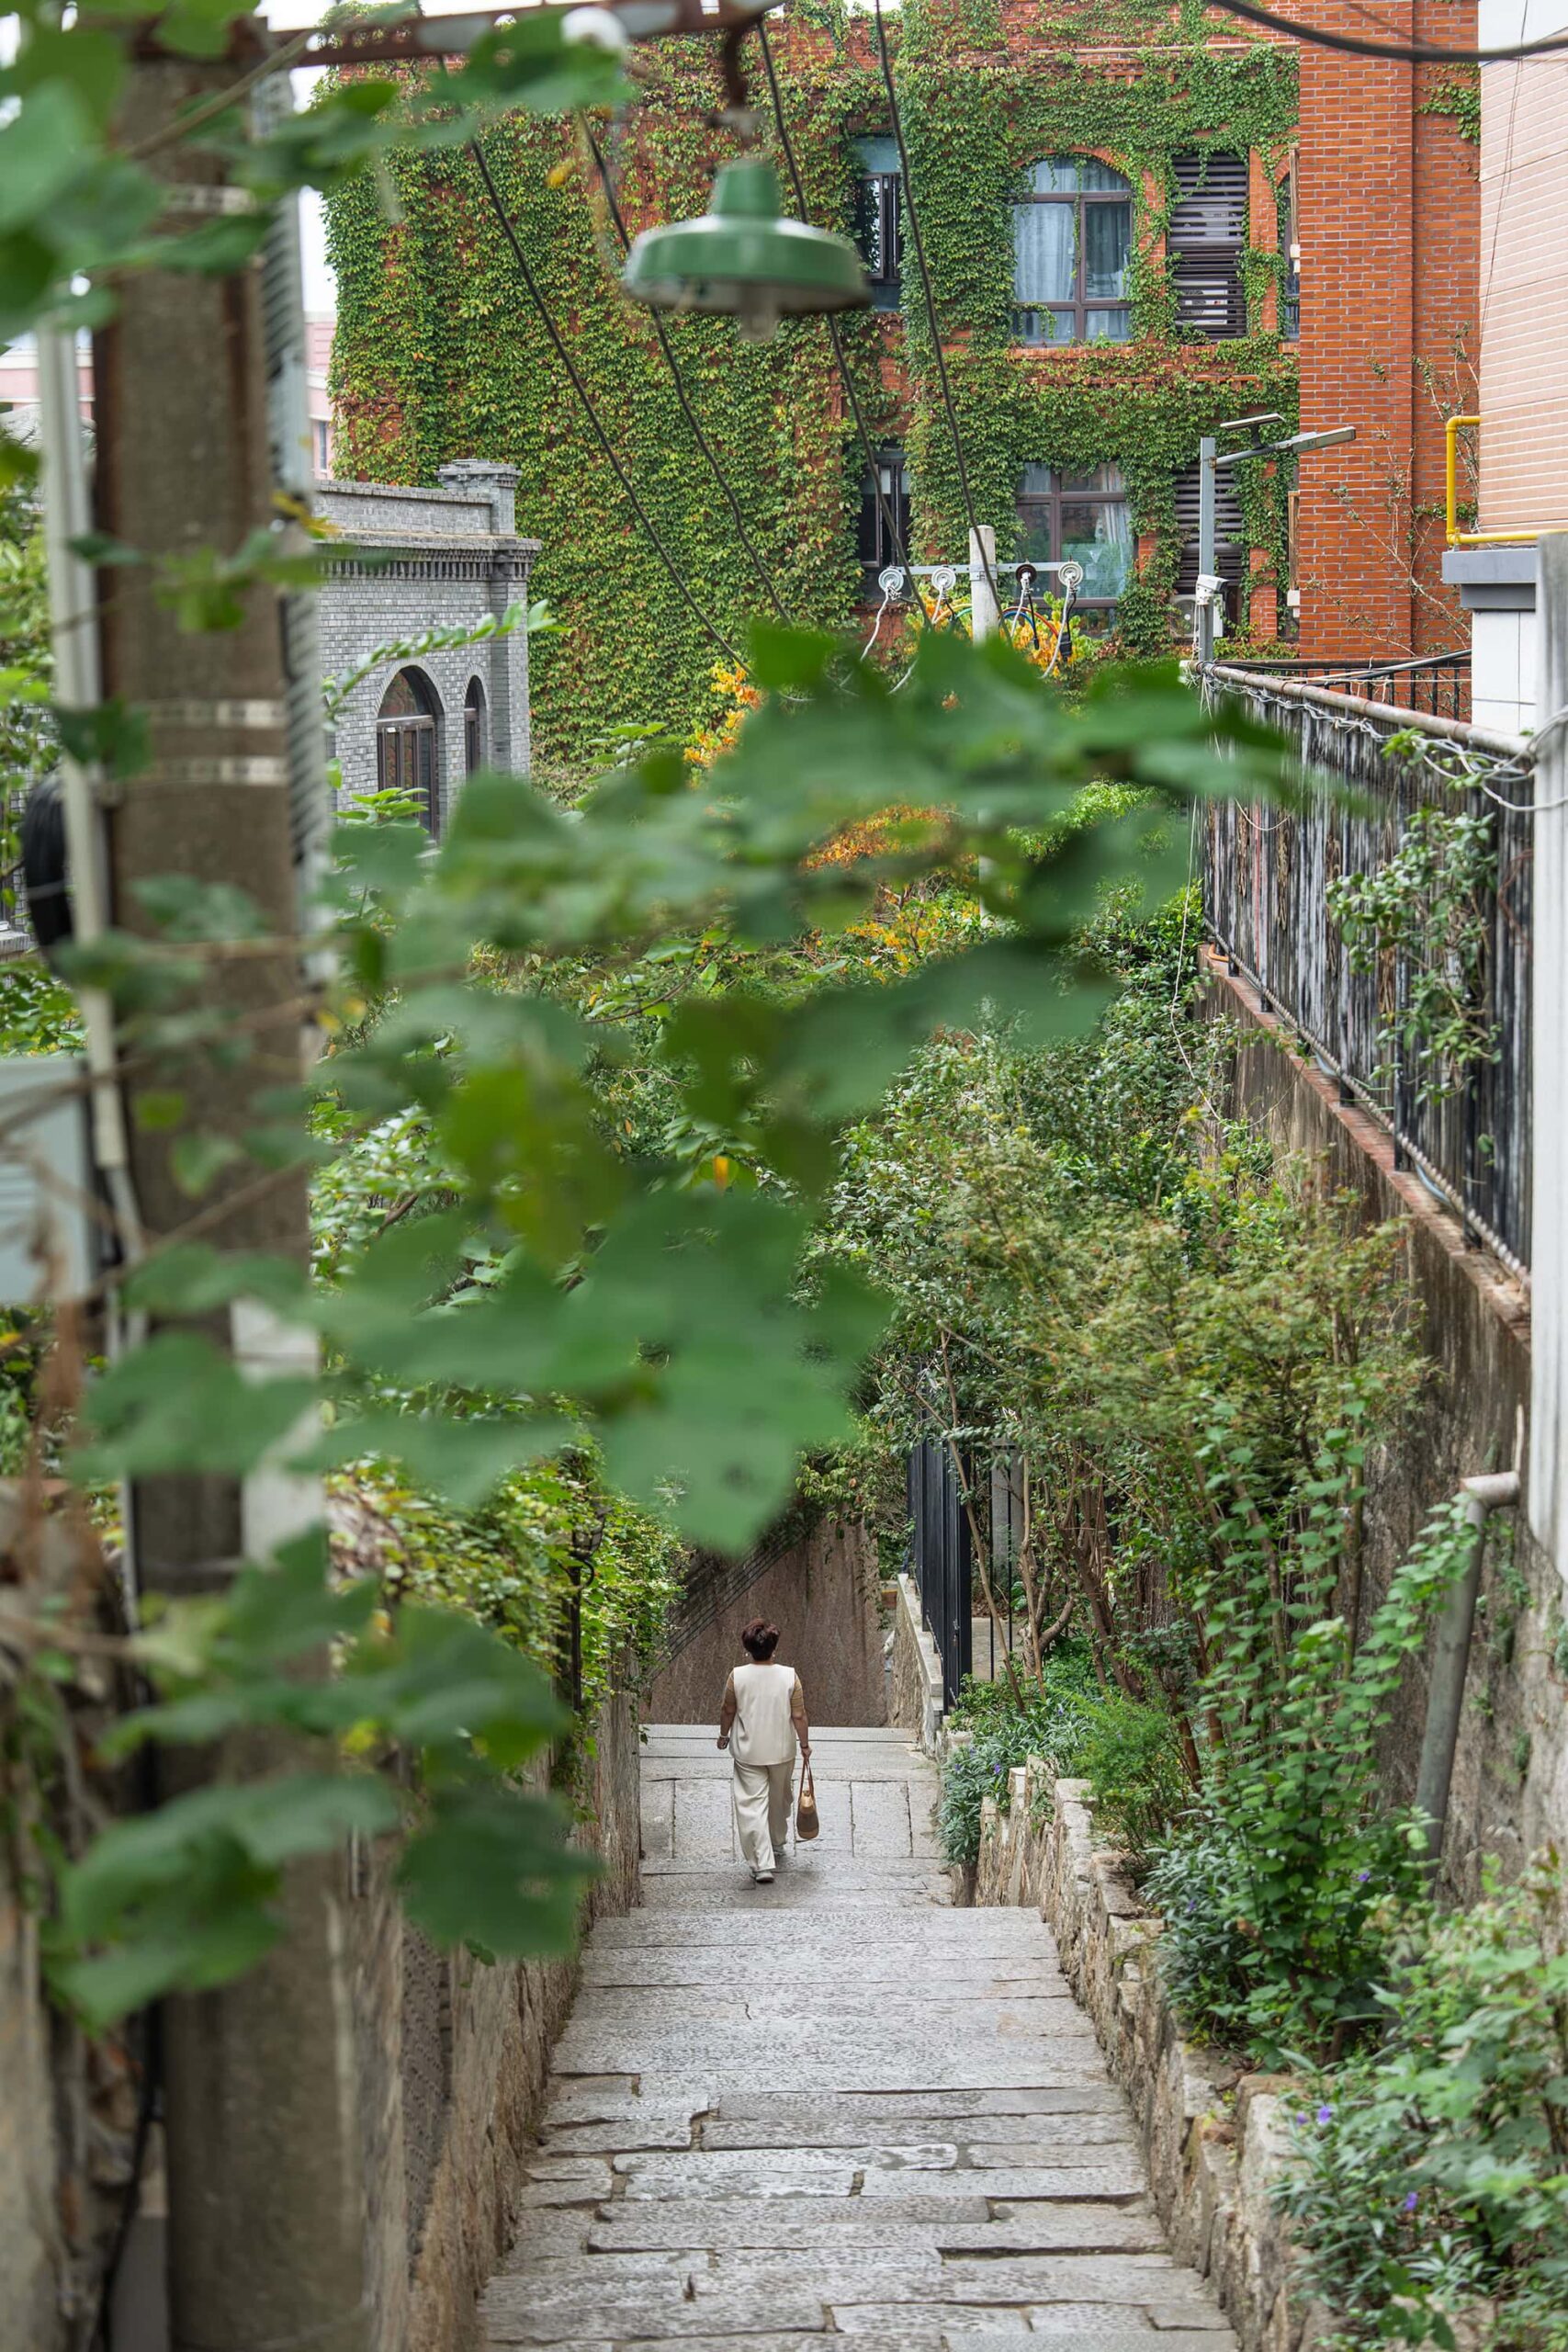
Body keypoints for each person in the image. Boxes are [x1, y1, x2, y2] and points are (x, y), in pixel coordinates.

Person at [716, 1618, 811, 1885]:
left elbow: (728, 1710)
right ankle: (777, 1842)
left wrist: (724, 1735)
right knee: (779, 1798)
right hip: (782, 1750)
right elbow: (799, 1714)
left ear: (748, 1649)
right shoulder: (790, 1676)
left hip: (749, 1752)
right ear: (774, 1648)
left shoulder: (737, 1676)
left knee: (751, 1804)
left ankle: (761, 1864)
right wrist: (804, 1745)